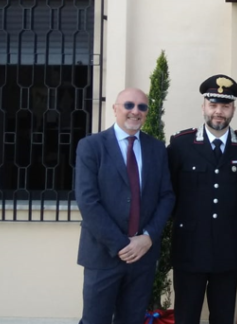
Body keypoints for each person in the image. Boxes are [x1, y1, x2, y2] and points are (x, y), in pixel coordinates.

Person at [74, 87, 175, 324]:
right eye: (129, 105)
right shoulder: (92, 146)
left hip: (142, 256)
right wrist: (122, 245)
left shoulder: (156, 148)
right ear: (115, 109)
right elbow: (88, 202)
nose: (135, 111)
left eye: (142, 107)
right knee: (94, 320)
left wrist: (148, 237)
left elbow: (167, 196)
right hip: (103, 255)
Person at [167, 74, 237, 324]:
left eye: (225, 106)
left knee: (223, 317)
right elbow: (169, 194)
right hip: (189, 248)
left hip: (228, 250)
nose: (219, 112)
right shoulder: (181, 145)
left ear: (233, 110)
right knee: (186, 316)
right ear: (203, 107)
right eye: (213, 105)